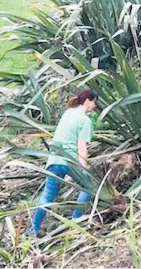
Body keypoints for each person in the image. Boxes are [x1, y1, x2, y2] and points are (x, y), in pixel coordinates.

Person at [30, 88, 98, 236]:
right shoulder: (85, 120)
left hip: (54, 160)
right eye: (94, 102)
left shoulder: (68, 113)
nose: (95, 106)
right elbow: (81, 146)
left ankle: (33, 230)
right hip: (70, 161)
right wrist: (84, 167)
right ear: (87, 101)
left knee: (47, 196)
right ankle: (76, 219)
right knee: (89, 187)